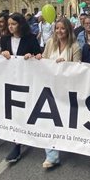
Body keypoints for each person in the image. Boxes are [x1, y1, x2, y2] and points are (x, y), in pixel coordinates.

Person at [0, 12, 42, 163]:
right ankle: (16, 144)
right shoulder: (5, 39)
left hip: (28, 81)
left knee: (28, 109)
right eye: (9, 25)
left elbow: (39, 55)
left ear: (20, 24)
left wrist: (33, 56)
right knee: (15, 111)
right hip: (11, 81)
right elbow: (1, 57)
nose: (11, 27)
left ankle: (32, 133)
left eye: (13, 24)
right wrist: (1, 53)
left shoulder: (31, 38)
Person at [36, 17, 81, 169]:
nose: (59, 31)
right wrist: (38, 58)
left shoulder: (74, 46)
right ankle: (52, 155)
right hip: (50, 88)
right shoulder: (49, 43)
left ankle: (69, 143)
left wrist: (66, 65)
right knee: (50, 121)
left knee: (65, 122)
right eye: (57, 28)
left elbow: (78, 69)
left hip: (67, 90)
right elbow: (44, 60)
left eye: (62, 28)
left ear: (68, 30)